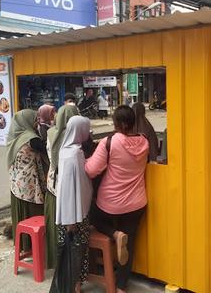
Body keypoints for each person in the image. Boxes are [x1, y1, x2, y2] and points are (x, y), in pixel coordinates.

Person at [85, 105, 149, 293]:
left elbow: (91, 169)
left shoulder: (110, 142)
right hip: (137, 203)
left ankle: (114, 234)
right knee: (130, 243)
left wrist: (82, 160)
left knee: (92, 216)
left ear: (119, 123)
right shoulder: (144, 141)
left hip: (111, 203)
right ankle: (121, 286)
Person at [54, 116, 93, 293]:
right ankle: (75, 286)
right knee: (77, 250)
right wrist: (72, 220)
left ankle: (71, 284)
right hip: (75, 216)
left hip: (68, 212)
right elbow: (72, 188)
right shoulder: (75, 154)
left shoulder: (65, 149)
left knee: (69, 250)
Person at [6, 109, 49, 252]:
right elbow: (48, 150)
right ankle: (33, 245)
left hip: (17, 184)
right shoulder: (31, 138)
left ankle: (24, 243)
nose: (37, 122)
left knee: (22, 217)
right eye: (34, 119)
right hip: (29, 186)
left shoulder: (15, 137)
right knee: (34, 216)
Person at [45, 104, 79, 269]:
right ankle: (74, 269)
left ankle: (58, 262)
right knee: (75, 232)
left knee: (57, 229)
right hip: (72, 189)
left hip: (54, 186)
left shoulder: (50, 133)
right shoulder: (77, 135)